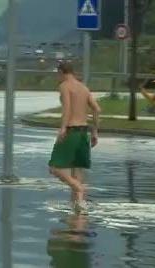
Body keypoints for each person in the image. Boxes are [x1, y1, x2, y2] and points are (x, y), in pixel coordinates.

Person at [48, 61, 101, 211]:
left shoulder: (64, 86)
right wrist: (95, 132)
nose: (56, 77)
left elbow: (67, 109)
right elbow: (97, 109)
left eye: (57, 74)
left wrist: (63, 128)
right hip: (84, 133)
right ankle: (78, 211)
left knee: (54, 167)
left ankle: (78, 188)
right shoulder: (83, 88)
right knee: (77, 172)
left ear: (61, 72)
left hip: (71, 131)